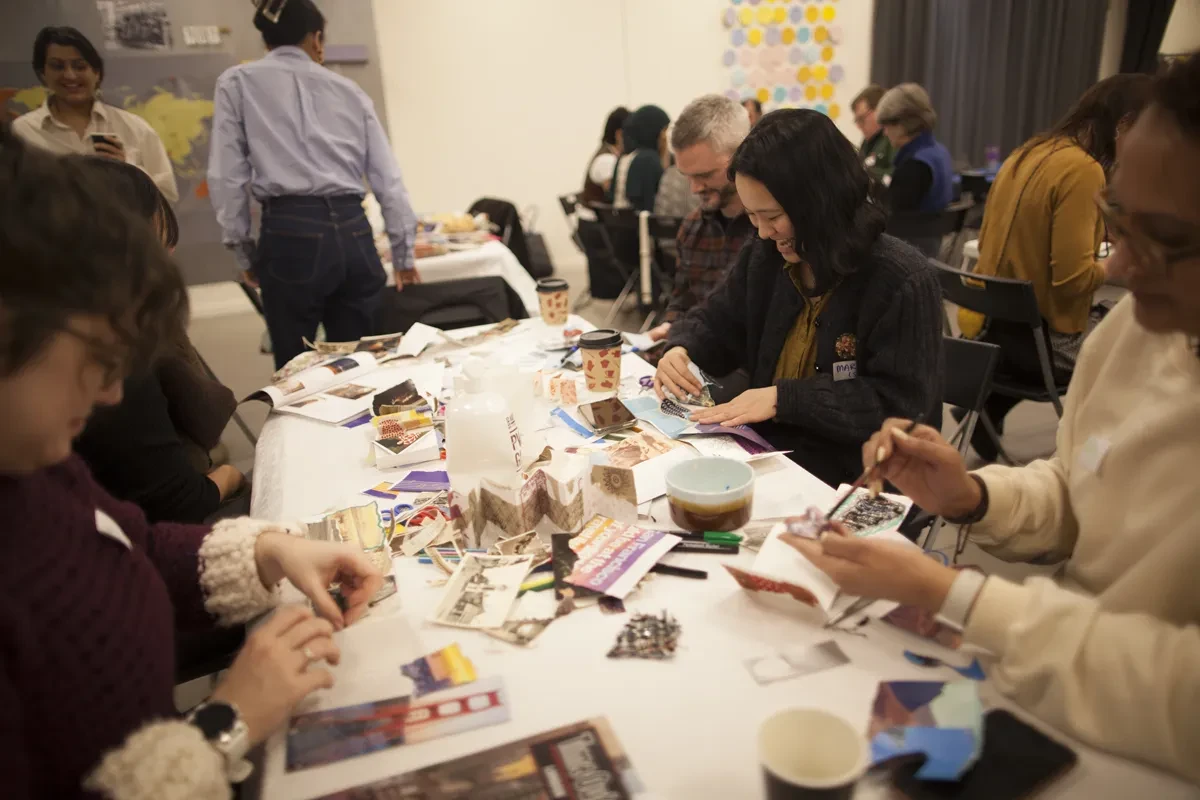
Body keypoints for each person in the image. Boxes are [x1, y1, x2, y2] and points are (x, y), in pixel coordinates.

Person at [783, 54, 1200, 784]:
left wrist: (954, 594)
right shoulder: (1132, 331)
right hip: (1056, 688)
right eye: (1117, 222)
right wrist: (975, 496)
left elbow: (1180, 694)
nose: (1123, 266)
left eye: (1161, 238)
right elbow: (1081, 491)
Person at [0, 125, 383, 798]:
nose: (114, 390)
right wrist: (224, 725)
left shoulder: (37, 464)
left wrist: (266, 549)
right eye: (97, 353)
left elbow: (132, 542)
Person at [655, 110, 944, 487]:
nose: (761, 233)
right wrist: (682, 348)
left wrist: (784, 399)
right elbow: (717, 320)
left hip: (858, 476)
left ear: (820, 201)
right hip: (775, 457)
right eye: (753, 216)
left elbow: (901, 408)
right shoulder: (767, 257)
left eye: (771, 216)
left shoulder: (901, 279)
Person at [208, 0, 418, 370]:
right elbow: (388, 178)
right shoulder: (349, 90)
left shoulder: (237, 83)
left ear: (266, 38)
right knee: (364, 361)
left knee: (298, 369)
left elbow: (228, 176)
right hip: (354, 229)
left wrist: (243, 249)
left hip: (291, 232)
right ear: (316, 39)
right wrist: (403, 253)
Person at [957, 74, 1153, 460]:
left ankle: (994, 405)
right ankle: (1107, 460)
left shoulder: (1029, 151)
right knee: (1139, 340)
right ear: (1125, 123)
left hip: (990, 333)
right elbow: (1073, 281)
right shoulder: (1082, 170)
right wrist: (1116, 264)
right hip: (1044, 346)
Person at [71, 157, 247, 524]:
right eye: (158, 241)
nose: (170, 256)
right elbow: (178, 505)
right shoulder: (111, 343)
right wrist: (233, 477)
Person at [12, 26, 179, 203]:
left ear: (97, 73)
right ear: (42, 74)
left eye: (80, 66)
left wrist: (128, 170)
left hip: (122, 230)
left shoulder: (135, 129)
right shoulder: (22, 132)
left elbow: (167, 197)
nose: (69, 75)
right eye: (57, 66)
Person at [645, 95, 754, 343]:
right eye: (687, 176)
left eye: (705, 175)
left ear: (742, 155)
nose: (694, 189)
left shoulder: (772, 232)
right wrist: (670, 326)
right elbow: (682, 300)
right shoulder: (693, 228)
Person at [876, 83, 953, 226]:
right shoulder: (940, 153)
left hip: (909, 242)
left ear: (903, 124)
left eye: (886, 125)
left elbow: (892, 214)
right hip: (931, 243)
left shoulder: (915, 166)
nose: (885, 133)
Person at [612, 104, 670, 212]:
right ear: (653, 131)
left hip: (618, 224)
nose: (665, 137)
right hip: (640, 226)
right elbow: (655, 205)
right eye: (664, 131)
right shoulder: (649, 160)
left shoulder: (624, 157)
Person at [581, 106, 628, 206]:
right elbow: (616, 196)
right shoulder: (606, 160)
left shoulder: (608, 152)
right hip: (595, 219)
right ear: (619, 134)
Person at [851, 84, 894, 179]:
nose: (858, 126)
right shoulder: (867, 142)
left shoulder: (894, 139)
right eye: (857, 121)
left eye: (861, 119)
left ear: (879, 111)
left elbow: (896, 175)